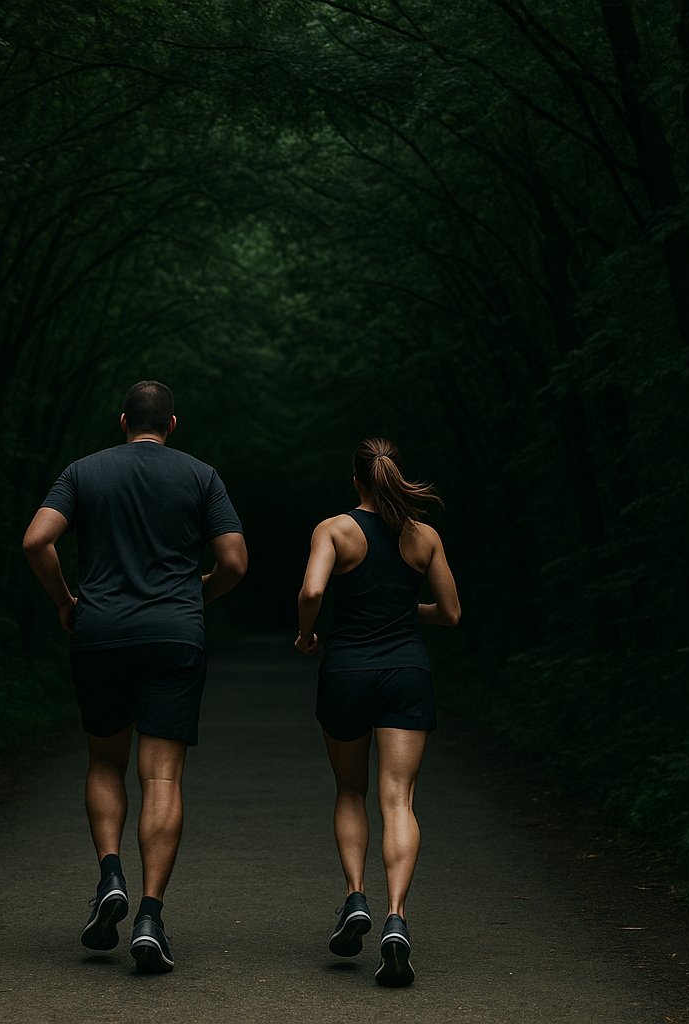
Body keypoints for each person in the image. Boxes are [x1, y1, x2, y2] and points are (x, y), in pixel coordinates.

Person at [23, 380, 247, 974]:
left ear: (123, 421)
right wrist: (197, 596)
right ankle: (150, 917)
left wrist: (65, 602)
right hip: (174, 634)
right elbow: (234, 561)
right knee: (163, 775)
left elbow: (36, 541)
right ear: (172, 424)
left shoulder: (83, 472)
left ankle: (110, 875)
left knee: (105, 760)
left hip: (100, 632)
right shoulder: (201, 476)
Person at [294, 437, 460, 988]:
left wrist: (307, 634)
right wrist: (401, 607)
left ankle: (355, 898)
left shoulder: (334, 530)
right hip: (406, 674)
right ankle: (396, 918)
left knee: (350, 791)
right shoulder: (423, 536)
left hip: (347, 672)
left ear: (356, 479)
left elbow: (312, 590)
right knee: (398, 799)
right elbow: (451, 613)